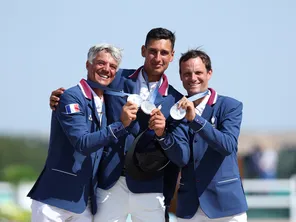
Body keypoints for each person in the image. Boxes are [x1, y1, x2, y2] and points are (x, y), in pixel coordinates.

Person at [49, 28, 189, 222]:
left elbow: (181, 155)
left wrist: (162, 132)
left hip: (150, 187)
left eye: (164, 52)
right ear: (143, 50)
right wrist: (60, 98)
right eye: (152, 51)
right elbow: (86, 91)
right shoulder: (116, 79)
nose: (157, 57)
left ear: (172, 56)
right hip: (109, 183)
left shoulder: (176, 101)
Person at [28, 43, 138, 222]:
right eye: (101, 63)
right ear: (88, 65)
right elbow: (82, 143)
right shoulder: (71, 96)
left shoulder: (108, 100)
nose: (106, 69)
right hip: (54, 200)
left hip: (83, 203)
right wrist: (121, 124)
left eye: (112, 66)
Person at [172, 49, 248, 221]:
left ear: (209, 73)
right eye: (187, 73)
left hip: (226, 206)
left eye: (198, 72)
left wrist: (195, 120)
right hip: (189, 207)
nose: (193, 78)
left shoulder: (230, 106)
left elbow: (228, 145)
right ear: (181, 76)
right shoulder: (175, 111)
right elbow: (180, 157)